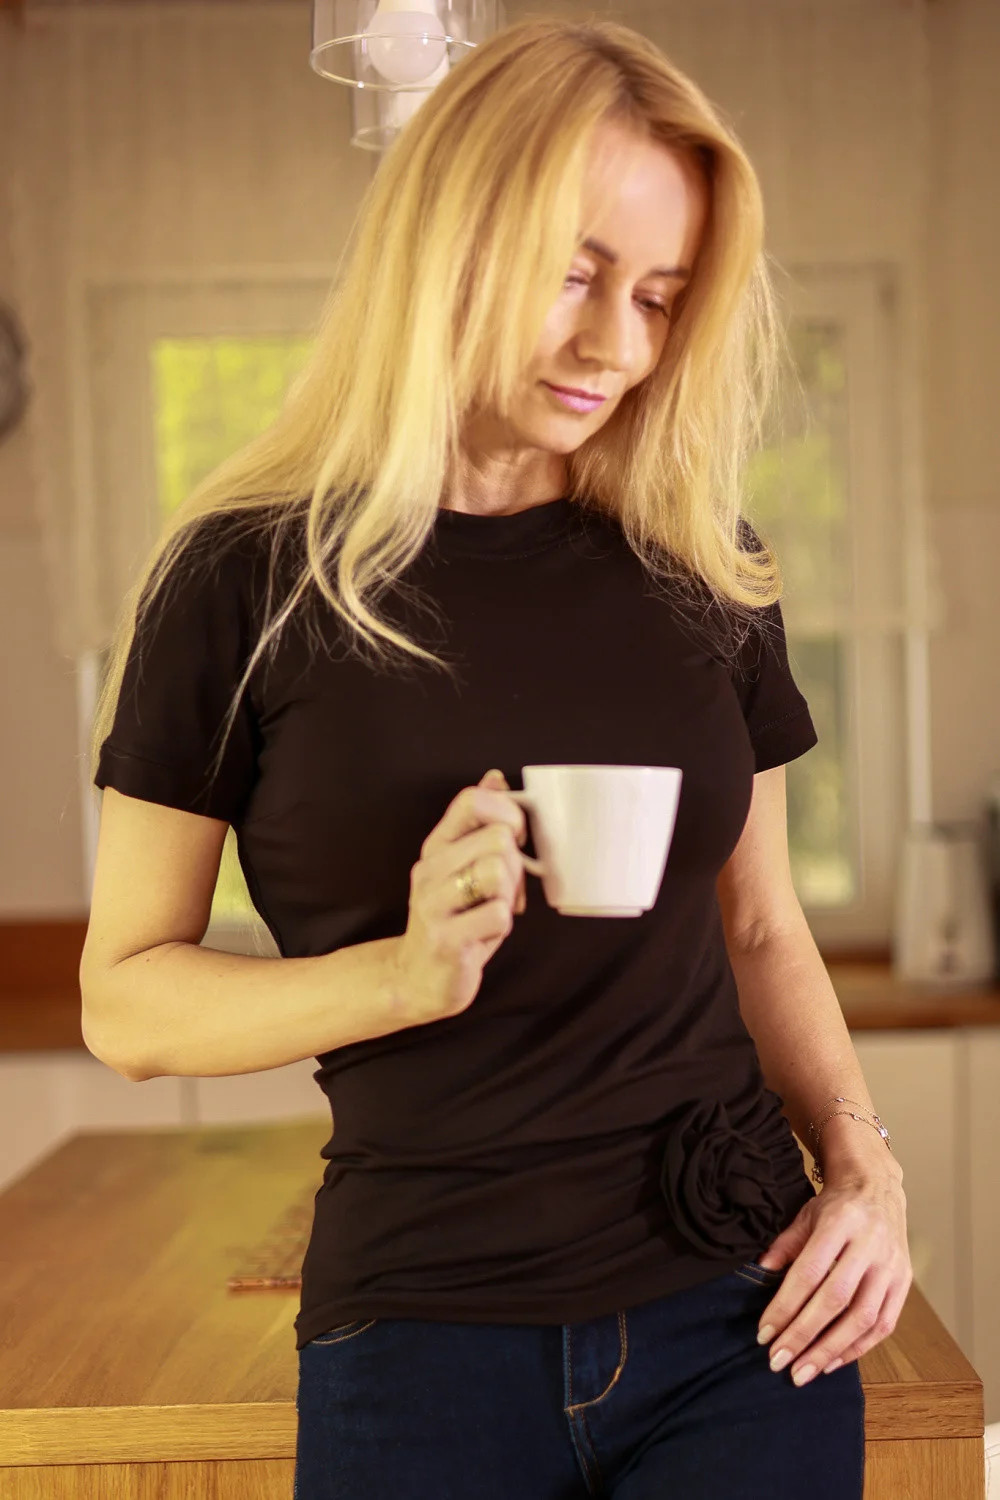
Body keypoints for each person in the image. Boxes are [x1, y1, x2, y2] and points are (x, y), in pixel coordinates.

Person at [80, 16, 911, 1499]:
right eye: (576, 274)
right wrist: (402, 976)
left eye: (658, 297)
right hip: (422, 1329)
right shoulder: (246, 581)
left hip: (742, 1312)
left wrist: (864, 1162)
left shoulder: (704, 565)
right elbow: (125, 999)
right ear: (448, 244)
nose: (619, 346)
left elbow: (761, 928)